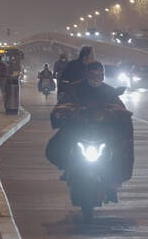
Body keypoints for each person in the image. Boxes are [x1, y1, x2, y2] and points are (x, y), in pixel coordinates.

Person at [47, 62, 134, 199]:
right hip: (79, 131)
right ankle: (69, 168)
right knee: (57, 147)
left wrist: (113, 115)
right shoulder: (75, 89)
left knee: (119, 149)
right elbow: (64, 104)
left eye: (99, 75)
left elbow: (120, 109)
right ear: (87, 75)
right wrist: (67, 112)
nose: (96, 78)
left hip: (102, 133)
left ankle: (112, 181)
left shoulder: (109, 91)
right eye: (93, 75)